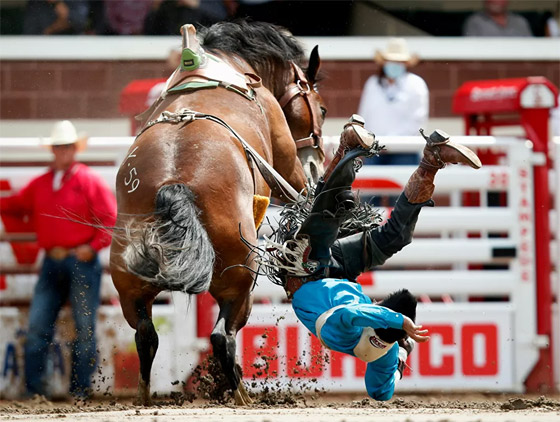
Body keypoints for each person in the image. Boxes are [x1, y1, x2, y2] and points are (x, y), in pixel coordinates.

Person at [260, 115, 482, 400]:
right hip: (342, 272)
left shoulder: (342, 332)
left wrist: (401, 324)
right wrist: (400, 353)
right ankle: (432, 159)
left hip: (306, 273)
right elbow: (381, 392)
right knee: (396, 237)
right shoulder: (385, 354)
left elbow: (354, 314)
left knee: (329, 218)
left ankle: (347, 147)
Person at [0, 120, 117, 399]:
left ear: (73, 150)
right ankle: (37, 390)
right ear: (54, 150)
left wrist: (93, 246)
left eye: (66, 147)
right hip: (56, 260)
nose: (62, 152)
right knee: (40, 325)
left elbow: (110, 219)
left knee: (83, 328)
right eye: (59, 147)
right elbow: (16, 204)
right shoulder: (42, 184)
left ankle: (79, 390)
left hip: (80, 259)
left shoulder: (86, 181)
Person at [357, 38, 429, 166]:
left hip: (405, 150)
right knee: (372, 184)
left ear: (405, 63)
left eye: (399, 61)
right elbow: (364, 115)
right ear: (384, 63)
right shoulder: (373, 83)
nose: (394, 65)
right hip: (375, 150)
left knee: (405, 185)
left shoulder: (416, 84)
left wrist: (391, 142)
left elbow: (418, 120)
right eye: (391, 61)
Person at [463, 0, 533, 37]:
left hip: (519, 61)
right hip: (489, 62)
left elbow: (532, 48)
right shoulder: (474, 22)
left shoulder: (520, 21)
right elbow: (471, 51)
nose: (497, 1)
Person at [23, 0, 89, 35]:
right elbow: (30, 34)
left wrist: (57, 3)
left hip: (72, 46)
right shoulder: (35, 3)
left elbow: (81, 22)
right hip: (43, 49)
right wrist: (51, 30)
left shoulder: (74, 2)